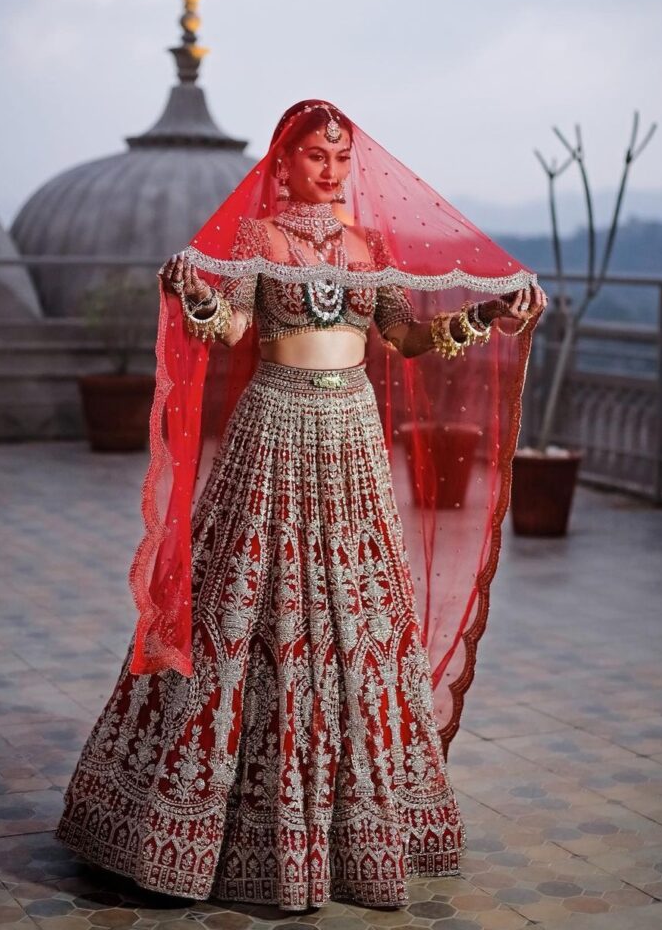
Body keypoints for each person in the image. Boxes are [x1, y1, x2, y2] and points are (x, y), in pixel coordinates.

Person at [55, 100, 546, 911]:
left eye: (340, 157)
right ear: (280, 163)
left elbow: (406, 338)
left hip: (351, 432)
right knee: (248, 600)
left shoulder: (365, 246)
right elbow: (235, 324)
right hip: (275, 422)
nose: (329, 169)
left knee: (358, 612)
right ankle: (202, 823)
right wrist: (201, 304)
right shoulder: (261, 240)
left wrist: (486, 315)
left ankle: (354, 823)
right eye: (314, 156)